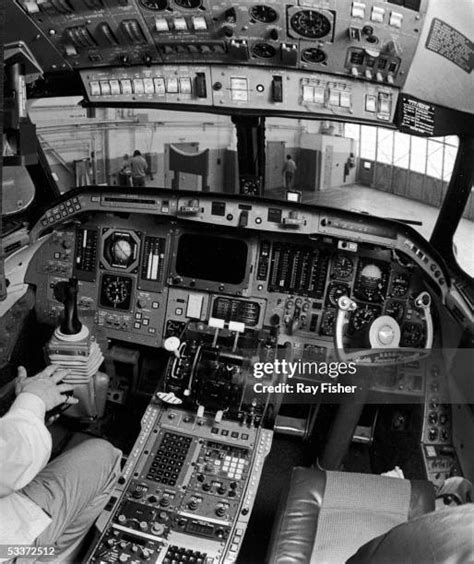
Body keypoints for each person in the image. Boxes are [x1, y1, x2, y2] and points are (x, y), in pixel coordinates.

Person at [0, 365, 122, 563]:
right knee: (102, 454)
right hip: (7, 548)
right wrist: (32, 400)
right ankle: (50, 557)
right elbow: (14, 458)